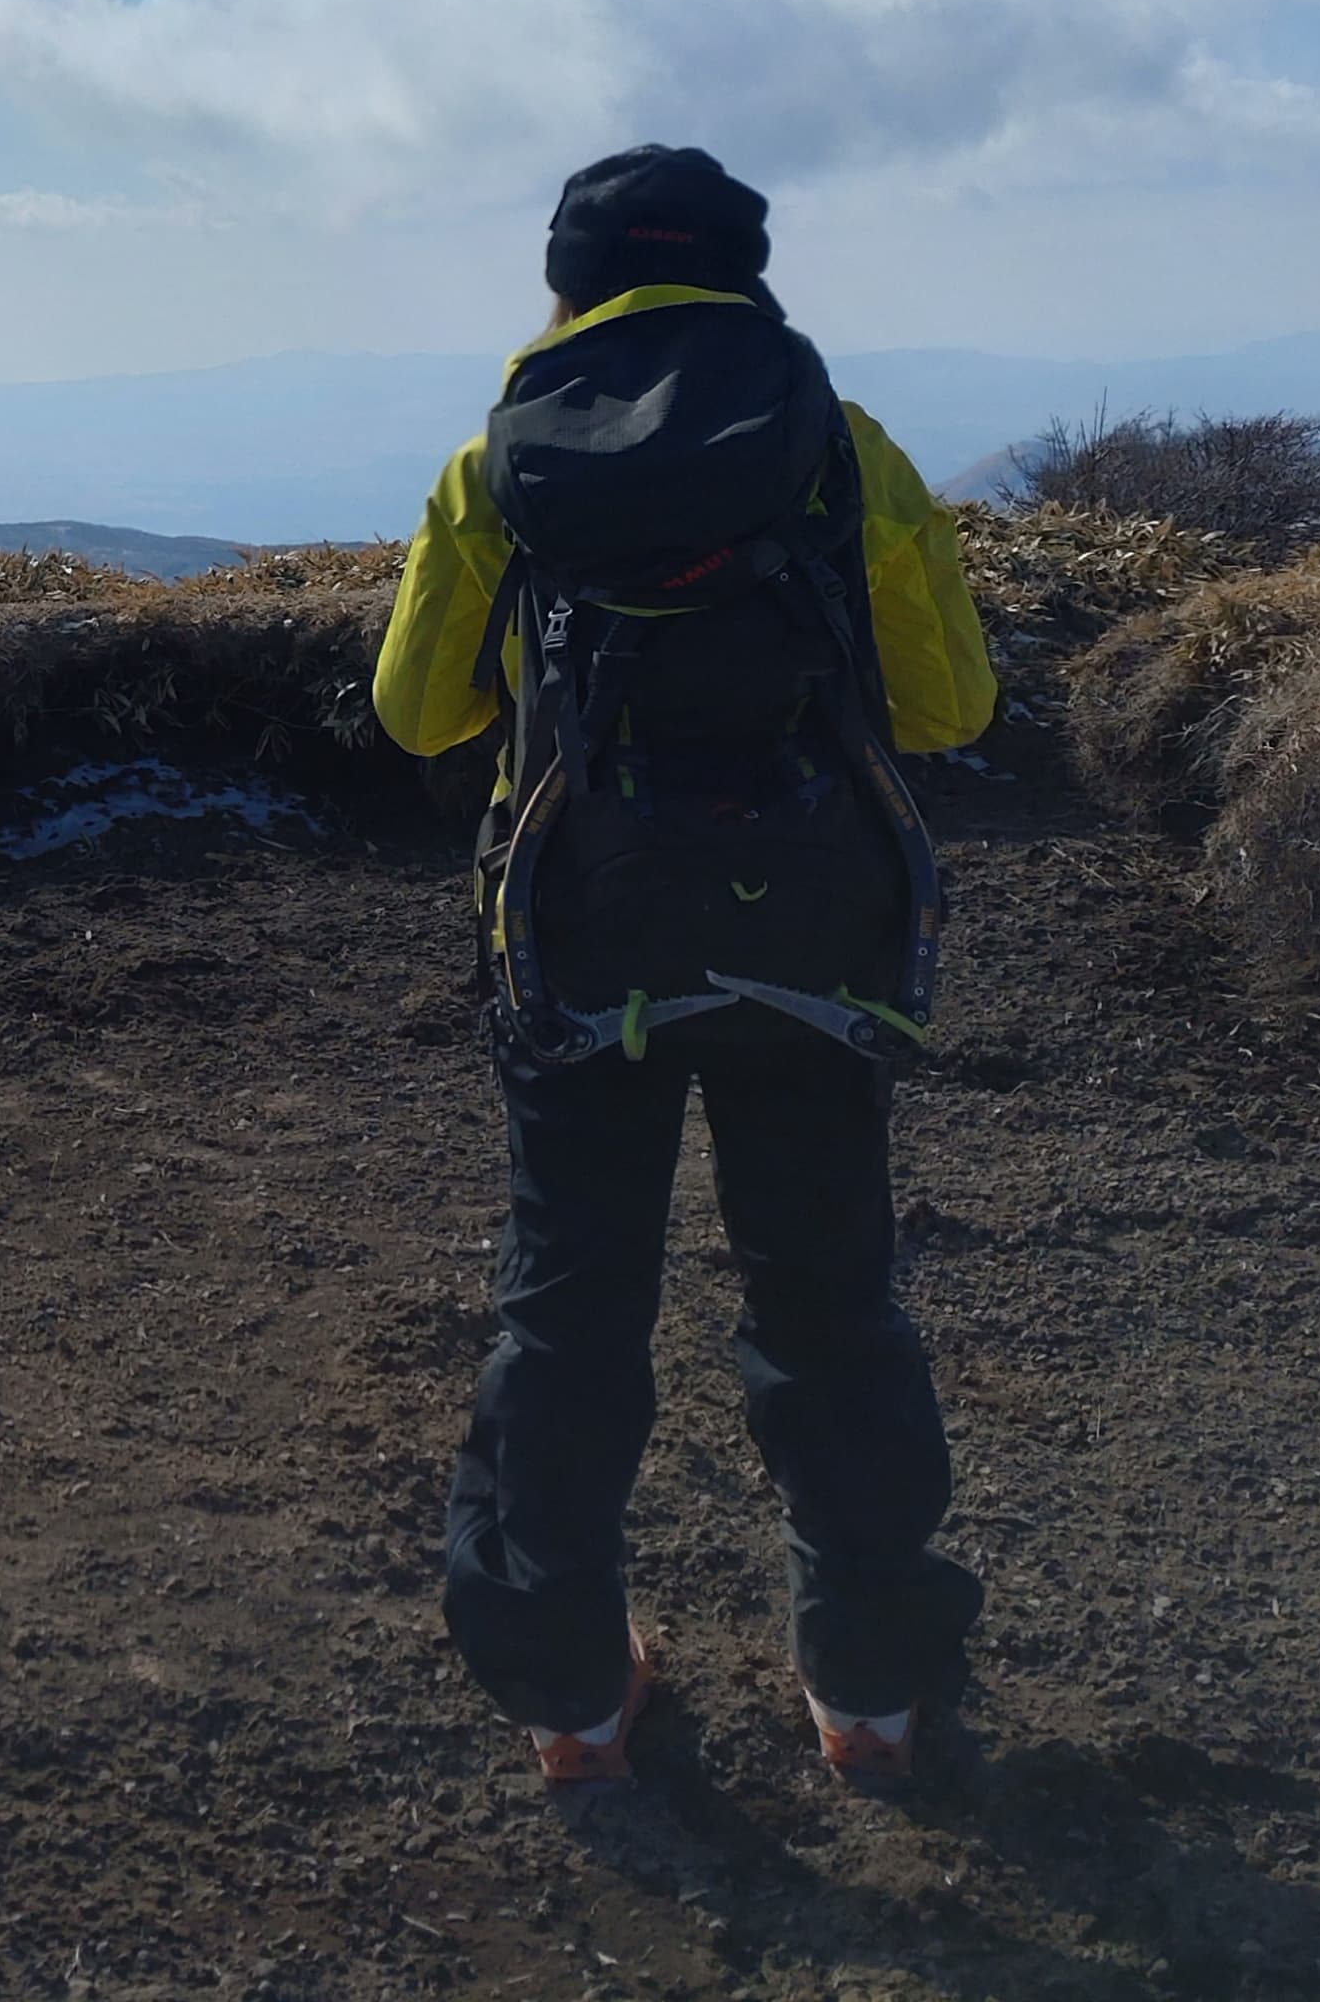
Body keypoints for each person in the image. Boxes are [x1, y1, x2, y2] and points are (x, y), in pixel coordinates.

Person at [371, 145, 998, 1794]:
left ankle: (573, 1701)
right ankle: (868, 1693)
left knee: (569, 1314)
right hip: (819, 953)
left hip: (582, 944)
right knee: (829, 1302)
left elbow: (418, 714)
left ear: (567, 289)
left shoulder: (493, 463)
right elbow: (947, 712)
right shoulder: (844, 453)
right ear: (749, 278)